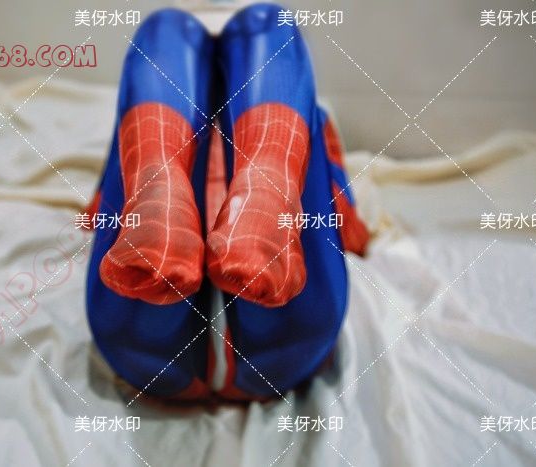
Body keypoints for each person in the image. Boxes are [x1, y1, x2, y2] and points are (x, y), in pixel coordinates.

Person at [85, 3, 369, 401]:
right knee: (269, 21)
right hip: (289, 337)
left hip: (136, 337)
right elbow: (347, 225)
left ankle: (159, 184)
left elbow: (98, 210)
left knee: (164, 27)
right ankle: (267, 185)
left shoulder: (136, 118)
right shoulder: (309, 116)